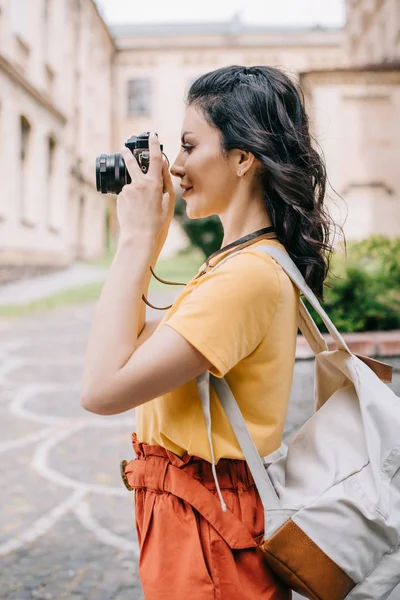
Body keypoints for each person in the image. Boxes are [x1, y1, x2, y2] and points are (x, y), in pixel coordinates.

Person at [81, 65, 338, 600]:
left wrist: (133, 241)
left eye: (189, 145)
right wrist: (146, 237)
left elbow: (101, 390)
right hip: (202, 521)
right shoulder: (239, 264)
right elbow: (125, 346)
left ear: (243, 158)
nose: (175, 167)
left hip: (207, 536)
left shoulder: (246, 277)